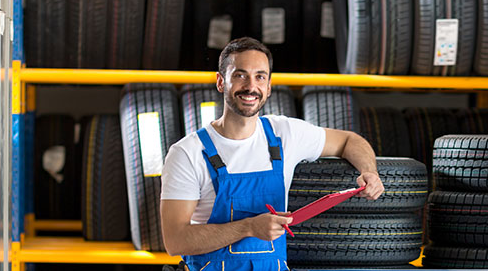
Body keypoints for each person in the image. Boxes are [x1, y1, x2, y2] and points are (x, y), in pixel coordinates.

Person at [159, 37, 384, 271]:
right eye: (240, 75)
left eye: (260, 76)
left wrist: (369, 171)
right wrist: (248, 228)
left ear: (268, 87)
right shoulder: (188, 153)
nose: (250, 86)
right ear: (220, 82)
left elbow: (350, 140)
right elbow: (175, 240)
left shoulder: (285, 134)